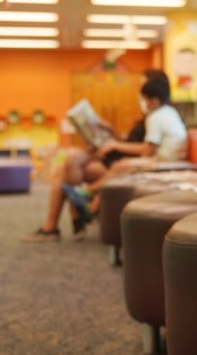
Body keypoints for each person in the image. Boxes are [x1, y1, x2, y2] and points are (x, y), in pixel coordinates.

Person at [21, 70, 187, 243]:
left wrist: (114, 145)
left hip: (157, 161)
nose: (140, 100)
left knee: (80, 166)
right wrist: (108, 133)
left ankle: (81, 207)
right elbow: (140, 144)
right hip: (140, 156)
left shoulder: (156, 117)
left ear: (153, 98)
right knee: (70, 162)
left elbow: (147, 149)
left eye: (143, 94)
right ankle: (78, 211)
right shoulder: (163, 114)